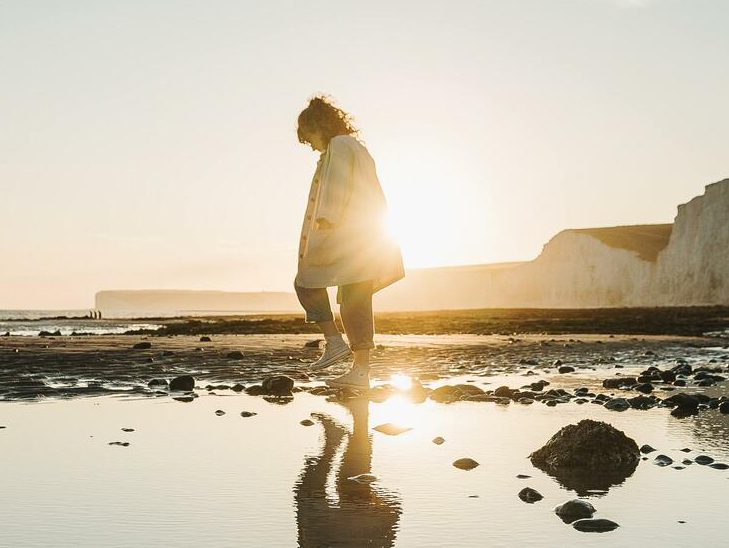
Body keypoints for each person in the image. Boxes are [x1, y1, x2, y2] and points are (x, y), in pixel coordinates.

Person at [294, 95, 404, 390]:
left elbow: (338, 184)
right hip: (364, 236)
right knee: (355, 301)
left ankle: (334, 342)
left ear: (318, 126)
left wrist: (327, 219)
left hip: (345, 235)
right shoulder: (356, 147)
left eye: (310, 137)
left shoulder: (340, 146)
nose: (311, 144)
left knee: (305, 282)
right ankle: (360, 372)